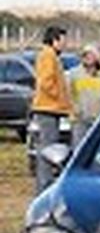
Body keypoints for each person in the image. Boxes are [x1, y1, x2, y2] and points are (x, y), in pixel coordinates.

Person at [31, 26, 72, 192]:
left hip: (50, 108)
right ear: (54, 40)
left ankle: (44, 184)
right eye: (63, 40)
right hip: (48, 108)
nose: (64, 44)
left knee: (48, 148)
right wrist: (60, 98)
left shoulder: (49, 55)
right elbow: (47, 82)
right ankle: (44, 187)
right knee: (48, 150)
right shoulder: (48, 55)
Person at [67, 46, 100, 129]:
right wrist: (74, 112)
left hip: (99, 120)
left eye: (91, 55)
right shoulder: (74, 74)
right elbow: (67, 94)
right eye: (85, 55)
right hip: (80, 121)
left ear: (97, 58)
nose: (88, 58)